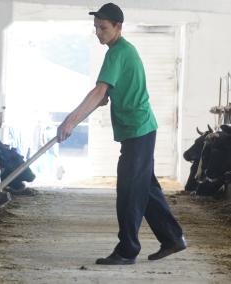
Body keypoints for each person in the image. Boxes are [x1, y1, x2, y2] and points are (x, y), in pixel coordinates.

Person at [57, 3, 186, 265]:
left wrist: (70, 121)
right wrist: (107, 96)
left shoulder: (117, 53)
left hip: (138, 130)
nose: (98, 33)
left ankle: (127, 251)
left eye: (103, 28)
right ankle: (173, 238)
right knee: (145, 189)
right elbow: (106, 93)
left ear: (118, 27)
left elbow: (98, 92)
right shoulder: (123, 51)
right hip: (140, 129)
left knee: (129, 190)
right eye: (95, 27)